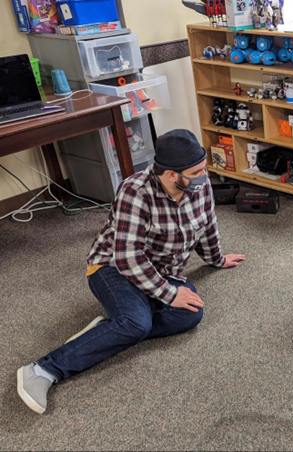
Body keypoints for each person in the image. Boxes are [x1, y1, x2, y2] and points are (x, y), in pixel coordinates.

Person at [17, 129, 245, 414]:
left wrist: (218, 259)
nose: (204, 175)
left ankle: (111, 328)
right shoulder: (134, 191)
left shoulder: (197, 186)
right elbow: (127, 258)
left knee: (190, 314)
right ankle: (43, 370)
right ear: (172, 174)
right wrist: (169, 293)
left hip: (161, 271)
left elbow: (207, 226)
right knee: (137, 323)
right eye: (197, 171)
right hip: (113, 268)